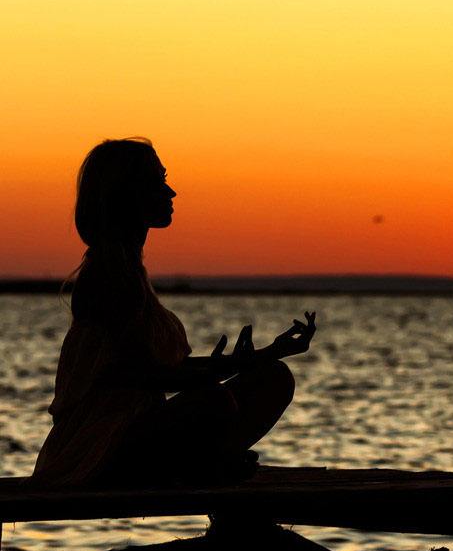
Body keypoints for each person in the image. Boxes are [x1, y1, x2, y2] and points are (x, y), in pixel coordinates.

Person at [31, 137, 315, 487]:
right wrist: (216, 374)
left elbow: (166, 371)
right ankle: (210, 465)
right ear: (126, 195)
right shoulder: (109, 272)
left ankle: (211, 463)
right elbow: (141, 374)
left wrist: (261, 357)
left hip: (140, 431)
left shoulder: (128, 269)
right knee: (213, 402)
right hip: (98, 446)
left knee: (273, 378)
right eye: (158, 182)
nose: (171, 192)